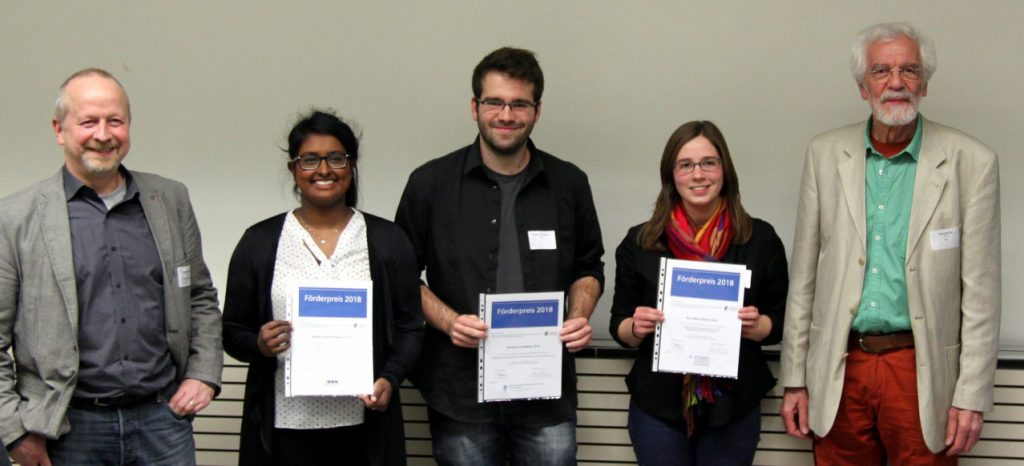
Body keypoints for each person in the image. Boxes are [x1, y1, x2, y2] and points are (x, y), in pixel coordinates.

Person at [779, 22, 1001, 465]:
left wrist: (972, 393)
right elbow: (804, 277)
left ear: (925, 82)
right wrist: (795, 379)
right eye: (881, 71)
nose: (896, 83)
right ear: (863, 87)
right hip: (841, 367)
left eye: (909, 70)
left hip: (920, 370)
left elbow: (981, 295)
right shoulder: (824, 155)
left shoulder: (972, 163)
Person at [0, 68, 223, 465]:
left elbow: (200, 297)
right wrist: (14, 432)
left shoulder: (170, 200)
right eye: (88, 121)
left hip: (164, 423)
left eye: (115, 121)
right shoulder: (16, 218)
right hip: (68, 431)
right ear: (59, 129)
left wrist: (202, 374)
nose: (104, 134)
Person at [394, 46, 604, 465]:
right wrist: (450, 322)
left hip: (546, 390)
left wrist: (580, 314)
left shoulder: (569, 183)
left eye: (519, 104)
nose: (506, 115)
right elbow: (401, 277)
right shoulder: (430, 184)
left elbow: (588, 267)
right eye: (495, 102)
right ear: (475, 107)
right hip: (460, 391)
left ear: (537, 110)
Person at [222, 110, 423, 466]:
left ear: (352, 164)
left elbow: (410, 328)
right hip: (285, 428)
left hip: (365, 427)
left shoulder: (387, 240)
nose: (324, 170)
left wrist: (390, 379)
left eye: (336, 158)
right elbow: (232, 332)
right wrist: (259, 343)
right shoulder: (260, 242)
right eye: (310, 159)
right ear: (293, 170)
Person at [609, 121, 788, 465]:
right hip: (659, 405)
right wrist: (636, 327)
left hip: (734, 404)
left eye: (709, 162)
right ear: (671, 175)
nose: (698, 174)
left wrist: (758, 326)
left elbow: (781, 321)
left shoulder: (760, 239)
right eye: (685, 164)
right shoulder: (640, 242)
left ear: (725, 170)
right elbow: (620, 325)